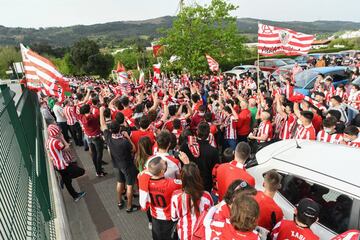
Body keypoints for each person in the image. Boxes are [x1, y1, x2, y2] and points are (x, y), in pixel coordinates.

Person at [99, 107, 139, 212]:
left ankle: (119, 202)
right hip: (127, 166)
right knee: (129, 186)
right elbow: (134, 149)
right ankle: (129, 207)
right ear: (120, 128)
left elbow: (102, 125)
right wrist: (128, 138)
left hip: (116, 165)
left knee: (119, 182)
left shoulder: (108, 137)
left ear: (111, 129)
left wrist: (101, 112)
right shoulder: (124, 141)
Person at [138, 157, 183, 240]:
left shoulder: (144, 181)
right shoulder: (172, 184)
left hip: (155, 216)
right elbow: (187, 184)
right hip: (169, 217)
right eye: (164, 164)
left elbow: (142, 174)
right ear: (162, 171)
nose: (166, 163)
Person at [171, 163, 213, 240]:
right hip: (202, 235)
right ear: (198, 177)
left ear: (182, 178)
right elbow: (210, 216)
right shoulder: (206, 196)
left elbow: (174, 218)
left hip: (183, 235)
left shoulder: (176, 196)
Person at [46, 124, 86, 201]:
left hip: (58, 165)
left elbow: (49, 153)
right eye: (58, 133)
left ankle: (75, 195)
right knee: (81, 171)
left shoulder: (48, 141)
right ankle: (67, 182)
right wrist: (62, 138)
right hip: (63, 165)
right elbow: (67, 148)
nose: (59, 133)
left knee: (68, 182)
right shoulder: (57, 142)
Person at [180, 122, 219, 192]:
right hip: (205, 184)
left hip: (189, 181)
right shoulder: (213, 151)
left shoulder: (186, 144)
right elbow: (215, 170)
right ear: (208, 134)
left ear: (197, 132)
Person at [79, 104, 106, 176]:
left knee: (94, 154)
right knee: (99, 154)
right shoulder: (93, 117)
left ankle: (97, 169)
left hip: (89, 138)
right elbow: (101, 117)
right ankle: (99, 171)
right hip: (97, 138)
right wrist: (101, 110)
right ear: (89, 110)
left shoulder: (82, 117)